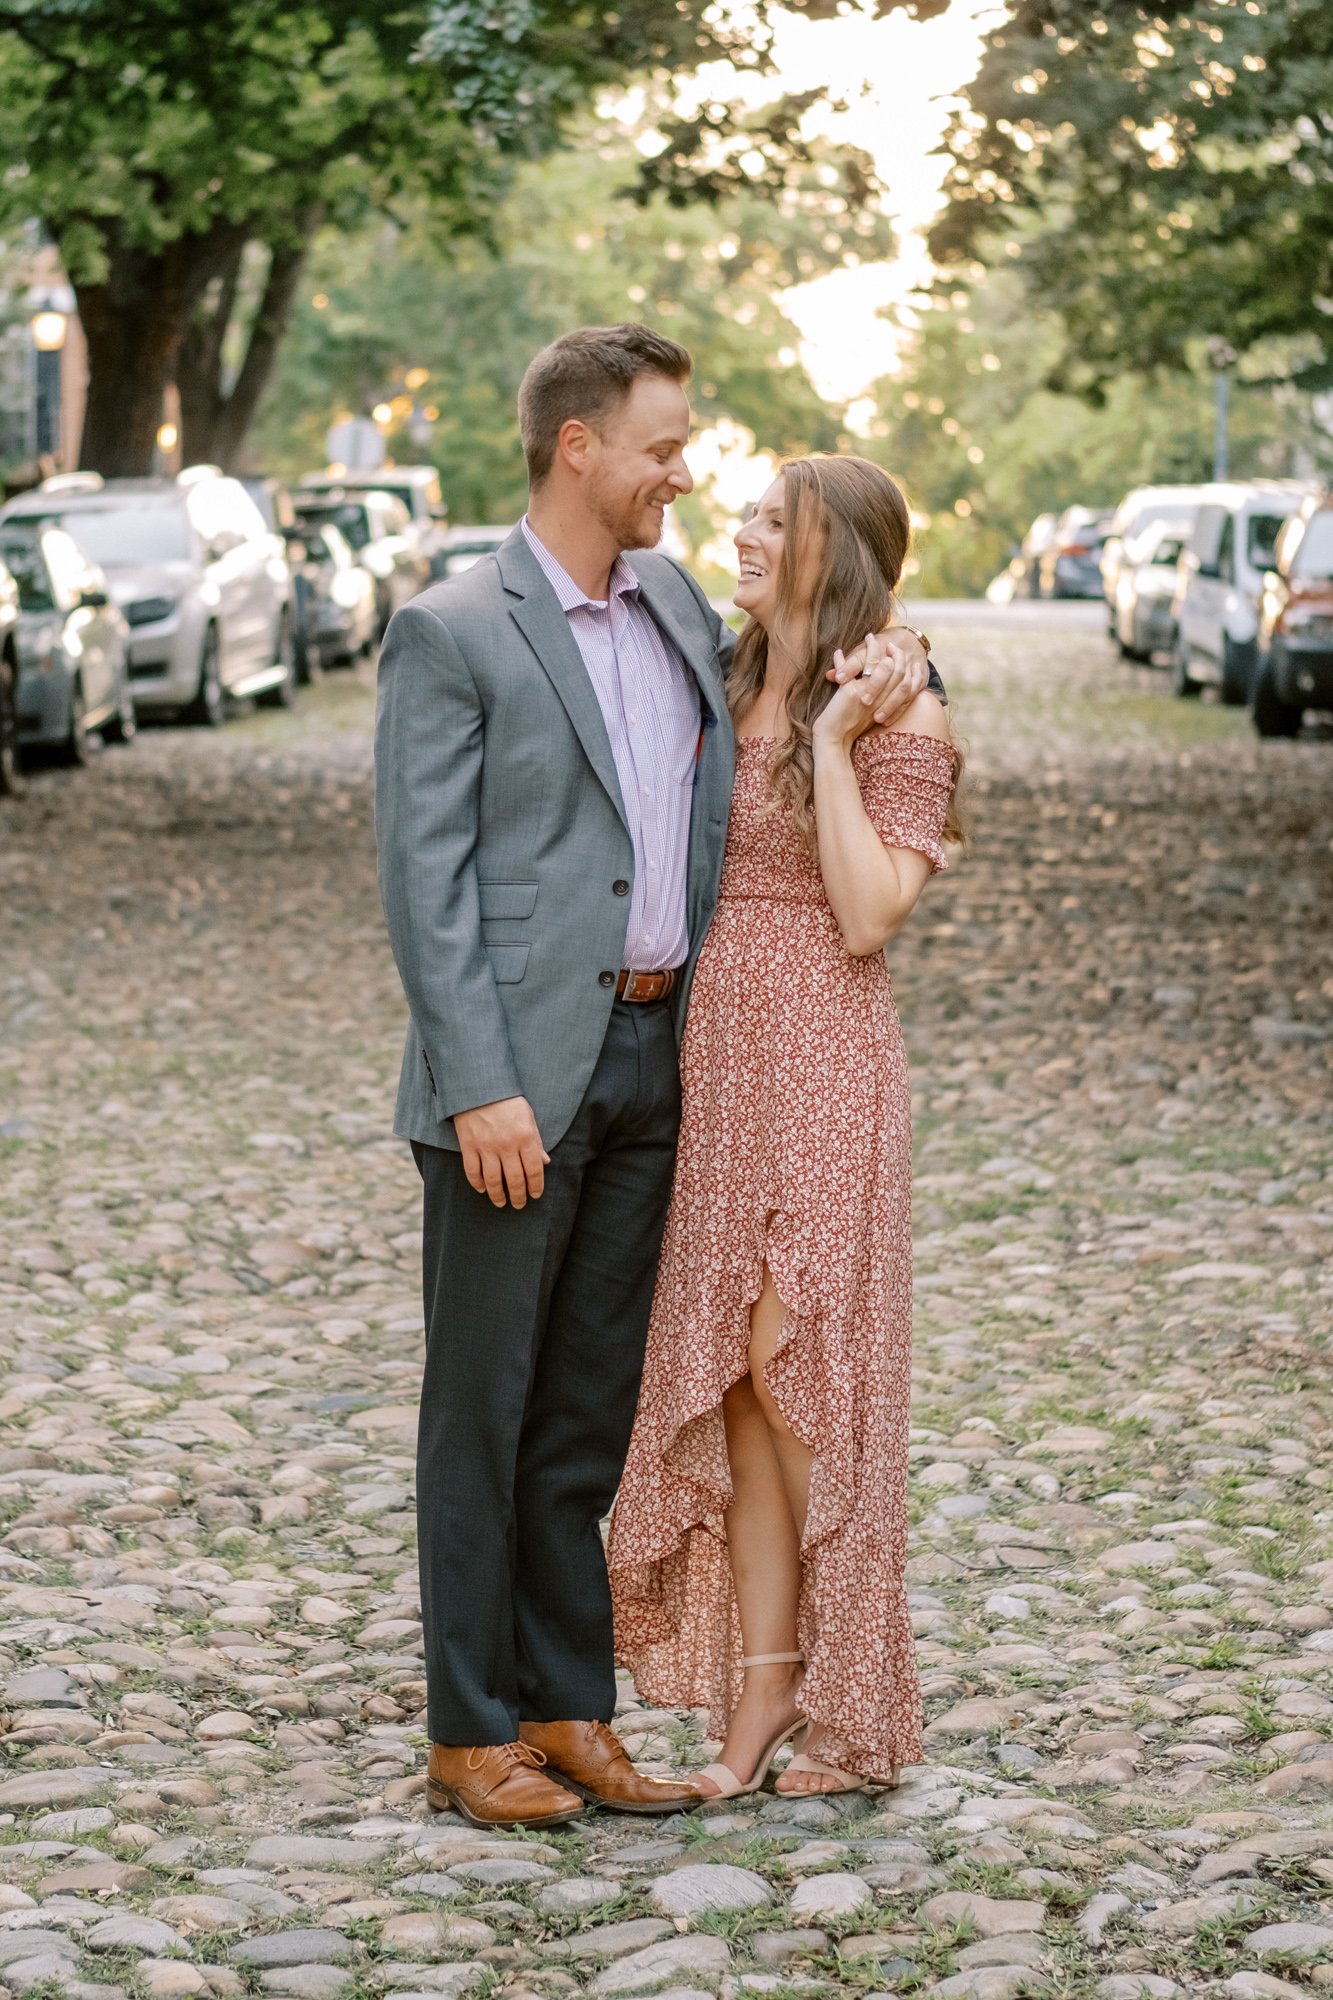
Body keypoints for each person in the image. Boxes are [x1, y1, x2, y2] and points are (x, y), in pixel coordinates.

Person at [374, 325, 938, 1829]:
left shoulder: (683, 611)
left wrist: (899, 663)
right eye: (663, 447)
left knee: (587, 1417)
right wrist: (478, 1081)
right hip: (515, 1081)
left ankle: (569, 1710)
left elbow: (839, 665)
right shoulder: (456, 630)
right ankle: (467, 1729)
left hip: (661, 1061)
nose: (684, 476)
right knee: (480, 1408)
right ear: (579, 447)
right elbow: (424, 884)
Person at [609, 453, 963, 1798]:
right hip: (719, 1051)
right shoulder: (726, 666)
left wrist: (828, 740)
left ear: (838, 552)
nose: (740, 534)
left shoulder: (897, 708)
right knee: (741, 1397)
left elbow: (870, 914)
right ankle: (761, 1705)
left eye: (772, 521)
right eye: (744, 513)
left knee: (794, 1368)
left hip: (821, 1045)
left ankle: (852, 1692)